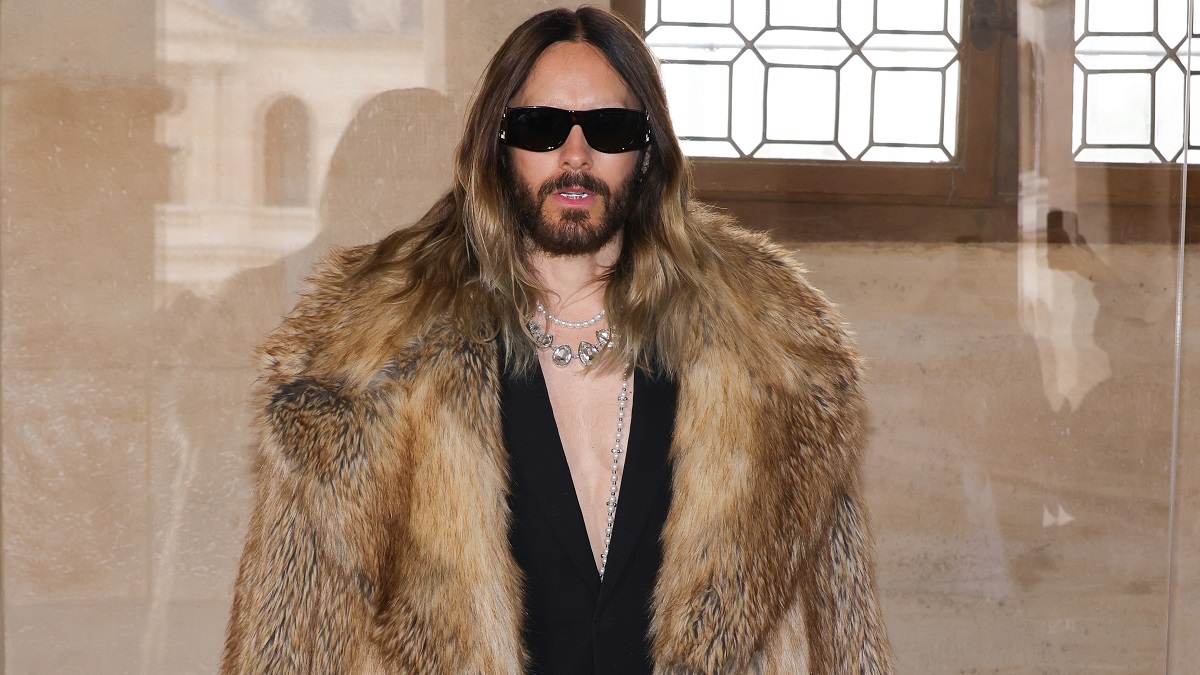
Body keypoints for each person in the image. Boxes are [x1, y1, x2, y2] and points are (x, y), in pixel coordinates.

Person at [220, 6, 895, 674]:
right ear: (498, 143)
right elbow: (284, 645)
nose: (575, 156)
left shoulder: (775, 357)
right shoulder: (359, 367)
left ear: (648, 148)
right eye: (541, 127)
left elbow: (841, 633)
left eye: (610, 127)